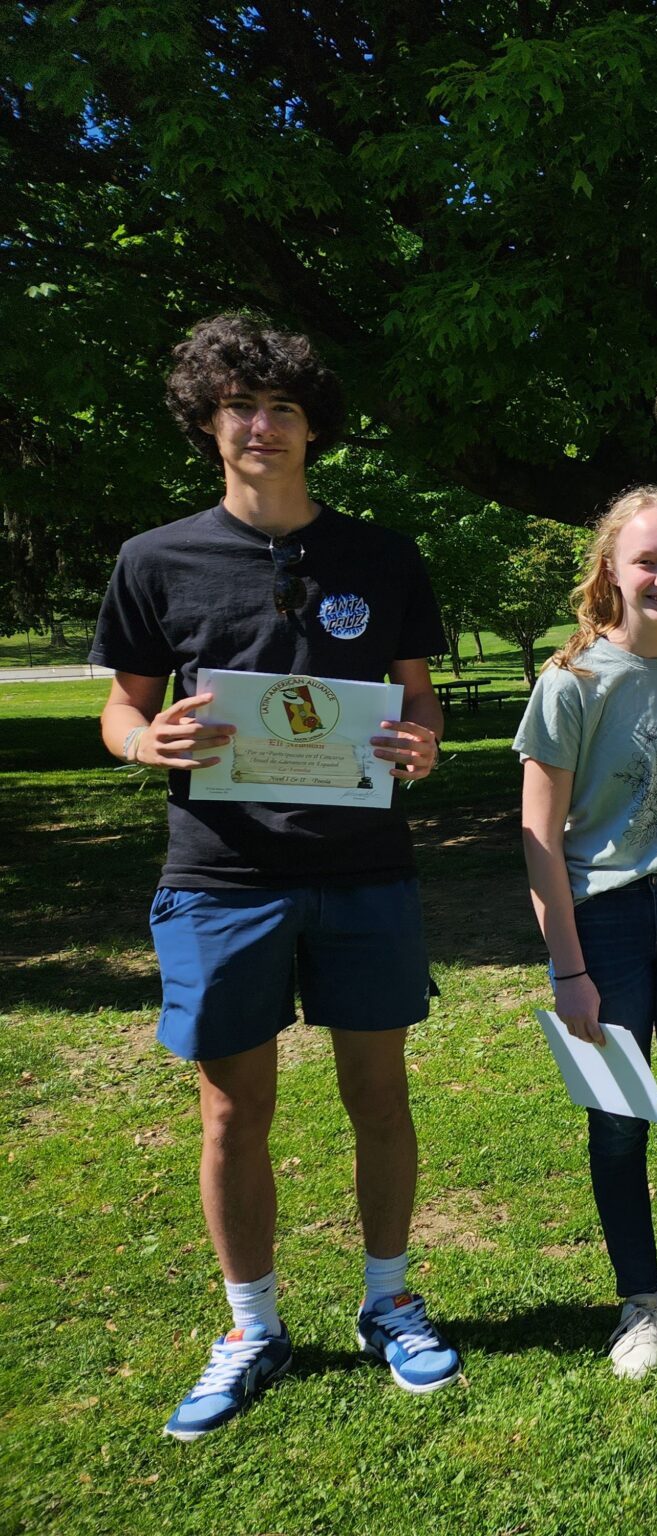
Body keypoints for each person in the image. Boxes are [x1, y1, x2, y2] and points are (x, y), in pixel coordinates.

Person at [89, 313, 457, 1441]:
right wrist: (141, 743)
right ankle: (252, 1325)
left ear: (311, 428)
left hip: (362, 867)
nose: (262, 425)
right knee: (229, 1112)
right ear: (209, 422)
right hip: (220, 874)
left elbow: (418, 700)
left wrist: (424, 745)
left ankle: (389, 1300)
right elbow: (122, 703)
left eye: (283, 408)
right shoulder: (155, 559)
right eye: (241, 406)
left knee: (378, 1099)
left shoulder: (382, 555)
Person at [514, 485, 657, 1379]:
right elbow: (539, 837)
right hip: (601, 921)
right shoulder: (570, 682)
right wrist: (566, 966)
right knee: (618, 1124)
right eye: (647, 560)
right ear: (609, 569)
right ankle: (637, 1303)